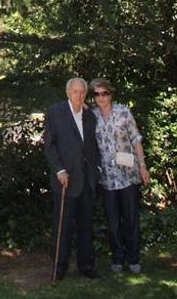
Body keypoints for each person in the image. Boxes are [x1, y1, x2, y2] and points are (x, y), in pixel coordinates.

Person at [89, 78, 151, 274]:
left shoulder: (123, 112)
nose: (101, 97)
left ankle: (133, 258)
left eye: (104, 93)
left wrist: (143, 166)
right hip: (107, 178)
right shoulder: (92, 116)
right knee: (113, 221)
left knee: (130, 219)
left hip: (128, 175)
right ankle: (117, 258)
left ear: (111, 93)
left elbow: (136, 139)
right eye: (97, 94)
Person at [43, 77, 102, 281]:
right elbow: (49, 145)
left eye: (82, 92)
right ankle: (59, 266)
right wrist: (59, 170)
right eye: (75, 92)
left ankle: (86, 265)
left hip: (87, 179)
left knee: (86, 225)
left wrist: (97, 168)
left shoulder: (89, 115)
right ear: (68, 93)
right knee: (63, 225)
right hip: (65, 179)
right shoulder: (56, 112)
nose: (78, 96)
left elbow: (93, 146)